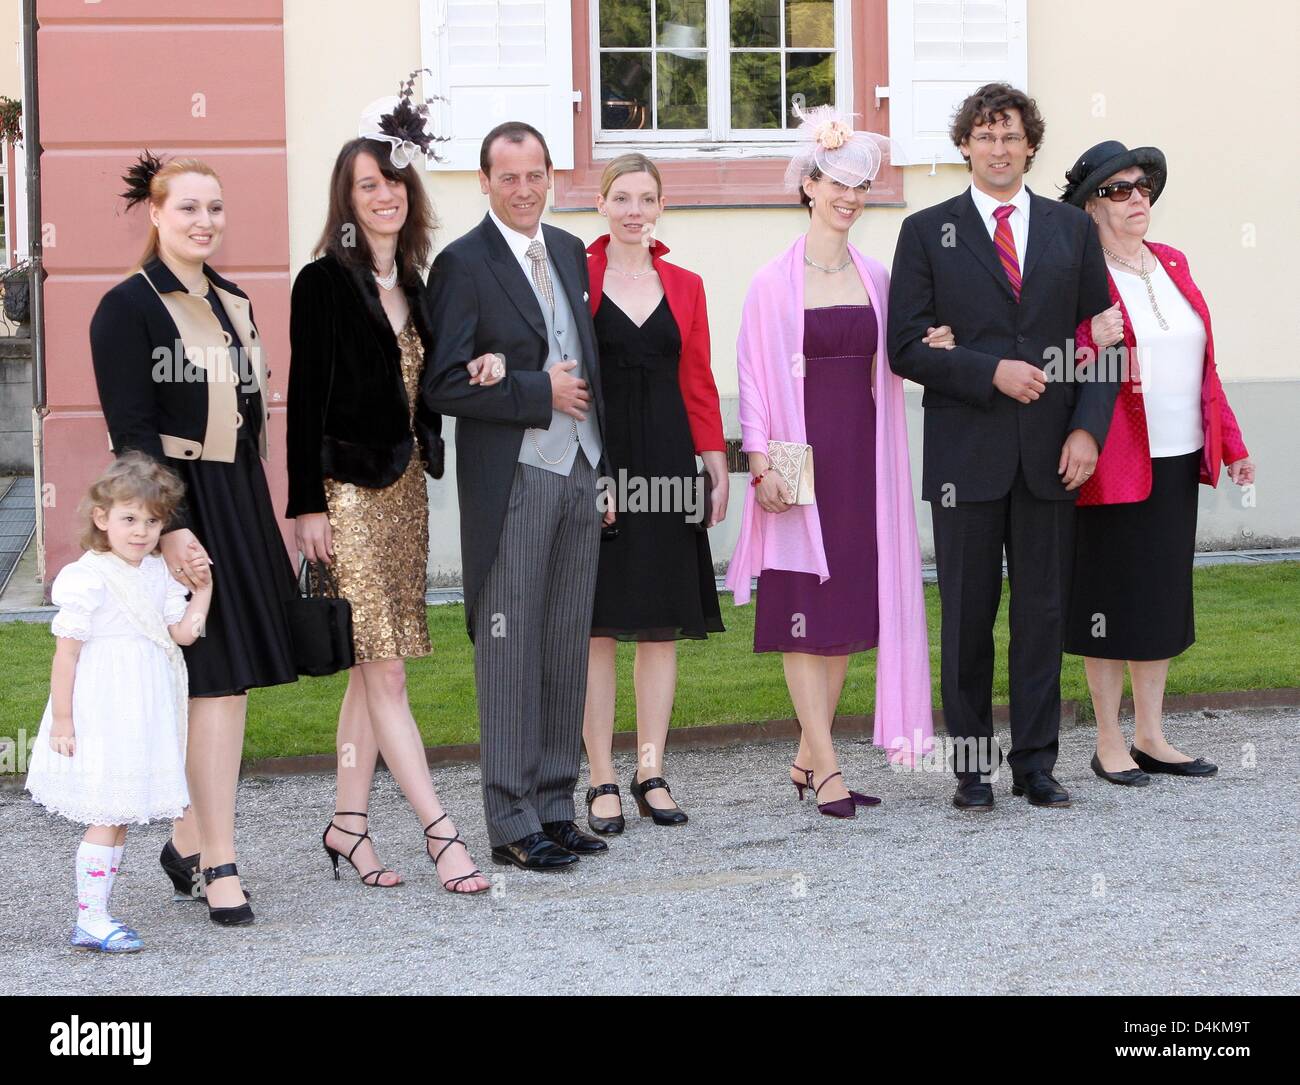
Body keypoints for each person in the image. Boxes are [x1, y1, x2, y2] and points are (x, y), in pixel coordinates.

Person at [287, 83, 502, 893]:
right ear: (346, 199)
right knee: (389, 673)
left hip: (406, 493)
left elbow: (433, 381)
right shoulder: (322, 283)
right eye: (367, 185)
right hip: (346, 496)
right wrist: (306, 503)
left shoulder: (416, 283)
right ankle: (441, 833)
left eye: (394, 182)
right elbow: (303, 399)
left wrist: (482, 365)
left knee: (363, 667)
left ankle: (348, 826)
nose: (384, 195)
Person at [887, 83, 1118, 811]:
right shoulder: (928, 232)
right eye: (984, 136)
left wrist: (1088, 428)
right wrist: (990, 370)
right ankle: (972, 769)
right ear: (964, 145)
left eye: (1010, 136)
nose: (997, 148)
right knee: (967, 614)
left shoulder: (1070, 231)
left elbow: (1102, 341)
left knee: (1042, 614)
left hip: (1053, 453)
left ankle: (1036, 763)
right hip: (966, 459)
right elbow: (903, 347)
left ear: (1029, 145)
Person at [90, 153, 299, 923]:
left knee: (228, 680)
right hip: (177, 504)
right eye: (188, 209)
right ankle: (218, 861)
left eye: (215, 208)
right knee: (209, 679)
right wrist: (172, 530)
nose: (204, 221)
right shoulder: (127, 307)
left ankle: (185, 839)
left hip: (237, 499)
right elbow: (132, 434)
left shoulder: (234, 298)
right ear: (155, 213)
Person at [725, 105, 936, 819]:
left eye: (860, 185)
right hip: (798, 455)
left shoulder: (878, 276)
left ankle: (807, 756)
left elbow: (898, 360)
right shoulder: (770, 282)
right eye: (836, 182)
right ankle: (828, 766)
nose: (849, 196)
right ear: (808, 185)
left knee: (843, 606)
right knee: (802, 608)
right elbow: (754, 375)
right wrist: (761, 462)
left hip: (865, 461)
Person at [422, 121, 610, 870]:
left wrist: (608, 469)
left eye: (536, 175)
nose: (526, 189)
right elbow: (442, 384)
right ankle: (508, 819)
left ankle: (557, 805)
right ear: (485, 182)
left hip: (581, 470)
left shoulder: (567, 251)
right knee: (509, 644)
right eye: (510, 177)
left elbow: (587, 363)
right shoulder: (462, 264)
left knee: (566, 640)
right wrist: (536, 390)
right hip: (516, 480)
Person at [1059, 141, 1254, 785]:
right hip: (1113, 457)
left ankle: (1151, 732)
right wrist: (1091, 337)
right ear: (1091, 208)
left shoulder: (1172, 262)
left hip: (1178, 455)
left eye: (1142, 186)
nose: (1136, 197)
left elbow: (1204, 365)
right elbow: (1058, 360)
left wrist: (1232, 442)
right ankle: (1108, 738)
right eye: (1118, 190)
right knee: (1109, 595)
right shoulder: (1081, 275)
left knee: (1163, 595)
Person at [579, 154, 728, 833]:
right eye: (621, 197)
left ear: (661, 206)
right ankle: (601, 776)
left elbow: (697, 379)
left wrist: (716, 461)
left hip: (670, 462)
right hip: (600, 461)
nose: (634, 209)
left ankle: (649, 768)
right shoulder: (573, 277)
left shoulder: (688, 284)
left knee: (660, 623)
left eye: (646, 198)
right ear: (602, 204)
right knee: (598, 625)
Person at [26, 453, 213, 952]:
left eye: (153, 521)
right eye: (129, 519)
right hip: (103, 709)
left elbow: (183, 634)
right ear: (101, 517)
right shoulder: (89, 576)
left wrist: (203, 591)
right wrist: (63, 722)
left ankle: (97, 914)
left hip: (142, 710)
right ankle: (90, 917)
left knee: (120, 813)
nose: (141, 531)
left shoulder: (156, 573)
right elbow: (66, 656)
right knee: (106, 815)